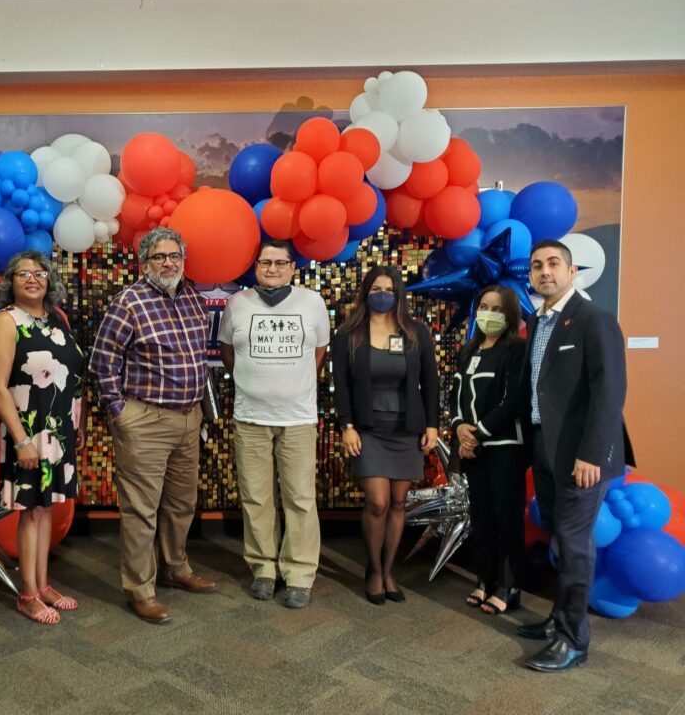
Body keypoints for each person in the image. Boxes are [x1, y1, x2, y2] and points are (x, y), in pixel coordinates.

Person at [89, 226, 217, 624]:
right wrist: (119, 412)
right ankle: (140, 589)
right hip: (145, 419)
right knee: (141, 510)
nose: (168, 263)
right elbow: (102, 361)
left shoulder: (194, 297)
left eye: (174, 256)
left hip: (188, 417)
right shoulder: (129, 302)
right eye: (159, 257)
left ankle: (176, 568)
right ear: (144, 263)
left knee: (182, 504)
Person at [510, 240, 627, 672]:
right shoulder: (539, 322)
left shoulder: (594, 320)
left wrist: (592, 454)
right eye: (537, 266)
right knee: (559, 538)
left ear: (572, 271)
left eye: (554, 264)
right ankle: (559, 618)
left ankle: (573, 639)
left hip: (582, 456)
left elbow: (609, 393)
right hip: (545, 448)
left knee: (575, 545)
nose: (545, 272)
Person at [217, 239, 329, 609]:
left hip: (298, 418)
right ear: (255, 267)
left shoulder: (312, 303)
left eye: (281, 263)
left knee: (299, 497)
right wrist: (255, 384)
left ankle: (299, 573)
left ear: (293, 268)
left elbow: (318, 353)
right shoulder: (237, 304)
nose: (272, 269)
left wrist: (290, 386)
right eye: (266, 262)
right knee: (256, 497)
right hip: (250, 417)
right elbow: (228, 353)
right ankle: (263, 568)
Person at [0, 251, 85, 625]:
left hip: (59, 431)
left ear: (49, 280)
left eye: (39, 273)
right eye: (22, 273)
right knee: (31, 512)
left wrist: (79, 425)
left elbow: (73, 377)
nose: (32, 279)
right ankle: (26, 594)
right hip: (26, 430)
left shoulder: (57, 319)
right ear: (10, 281)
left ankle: (43, 585)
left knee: (46, 509)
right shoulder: (7, 321)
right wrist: (21, 439)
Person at [332, 265, 439, 605]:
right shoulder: (349, 333)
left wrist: (433, 425)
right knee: (377, 502)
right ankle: (373, 569)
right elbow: (342, 386)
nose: (383, 294)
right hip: (368, 429)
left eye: (389, 289)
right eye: (376, 288)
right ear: (366, 292)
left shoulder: (415, 332)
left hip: (406, 429)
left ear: (399, 295)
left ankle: (388, 570)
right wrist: (346, 425)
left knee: (397, 503)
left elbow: (431, 382)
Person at [449, 285, 528, 616]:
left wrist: (477, 433)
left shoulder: (516, 350)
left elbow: (514, 402)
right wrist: (458, 428)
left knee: (506, 516)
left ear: (509, 314)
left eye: (497, 309)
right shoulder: (468, 350)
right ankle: (484, 580)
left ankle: (509, 586)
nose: (489, 314)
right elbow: (454, 395)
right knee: (481, 517)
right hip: (473, 448)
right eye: (484, 306)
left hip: (504, 447)